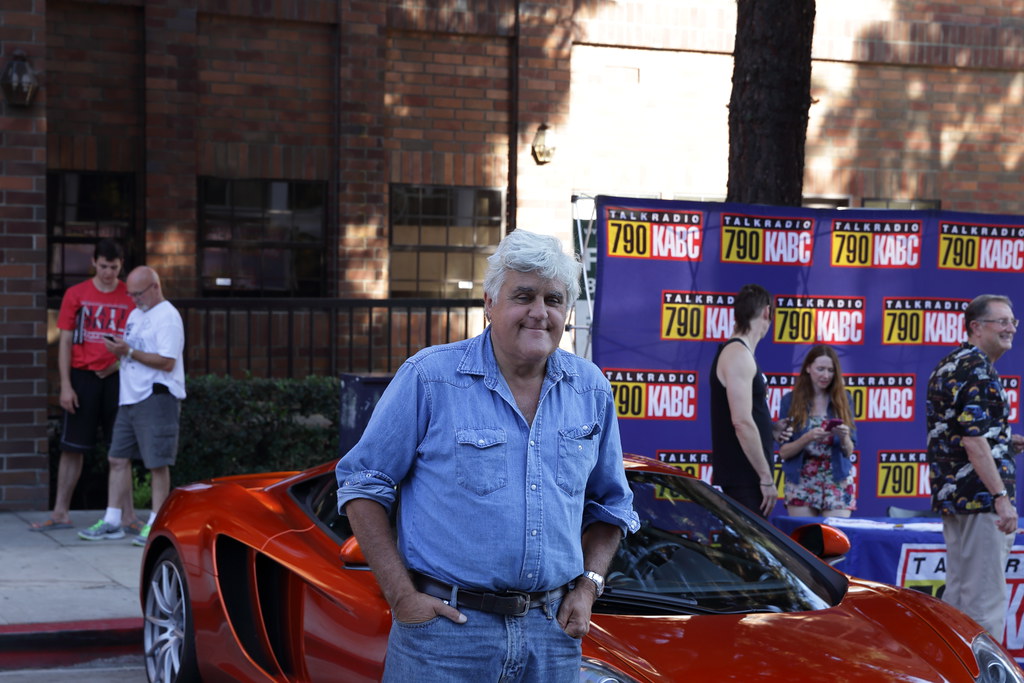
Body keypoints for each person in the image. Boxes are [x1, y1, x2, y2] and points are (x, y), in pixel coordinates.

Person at [335, 229, 639, 682]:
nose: (539, 313)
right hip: (445, 638)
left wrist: (589, 587)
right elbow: (362, 484)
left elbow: (612, 503)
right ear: (489, 303)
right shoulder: (430, 379)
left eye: (554, 300)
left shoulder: (590, 389)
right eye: (524, 296)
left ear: (567, 313)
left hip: (551, 638)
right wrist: (402, 597)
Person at [926, 294, 1021, 638]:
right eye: (1003, 322)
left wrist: (1006, 441)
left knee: (959, 602)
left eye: (1013, 322)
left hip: (958, 499)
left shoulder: (951, 363)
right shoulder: (978, 369)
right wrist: (1000, 496)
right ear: (976, 328)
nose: (1011, 328)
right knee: (984, 606)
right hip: (981, 502)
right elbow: (973, 441)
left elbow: (962, 432)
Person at [30, 240, 139, 532]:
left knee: (121, 447)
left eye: (113, 268)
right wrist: (66, 385)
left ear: (121, 265)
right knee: (72, 446)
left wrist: (115, 365)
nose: (107, 273)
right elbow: (64, 341)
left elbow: (138, 343)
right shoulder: (76, 294)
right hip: (82, 375)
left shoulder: (129, 295)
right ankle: (61, 511)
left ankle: (128, 516)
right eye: (103, 266)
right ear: (94, 262)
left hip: (117, 377)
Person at [79, 266, 186, 548]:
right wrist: (116, 361)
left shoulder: (168, 317)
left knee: (157, 463)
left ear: (155, 287)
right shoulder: (136, 314)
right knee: (117, 458)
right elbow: (135, 352)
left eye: (138, 293)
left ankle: (156, 522)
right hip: (130, 397)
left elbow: (167, 362)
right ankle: (112, 520)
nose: (134, 299)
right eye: (131, 294)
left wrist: (127, 351)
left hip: (156, 397)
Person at [710, 284, 791, 517]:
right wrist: (766, 478)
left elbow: (747, 415)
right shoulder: (738, 355)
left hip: (746, 477)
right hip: (745, 478)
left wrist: (770, 429)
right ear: (767, 312)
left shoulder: (740, 353)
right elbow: (742, 422)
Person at [777, 345, 857, 517]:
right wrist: (807, 438)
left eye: (830, 370)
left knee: (836, 541)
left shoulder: (844, 399)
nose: (826, 375)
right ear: (808, 368)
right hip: (801, 480)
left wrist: (844, 438)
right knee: (803, 540)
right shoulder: (790, 401)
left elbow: (849, 450)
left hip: (836, 479)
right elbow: (784, 452)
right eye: (820, 369)